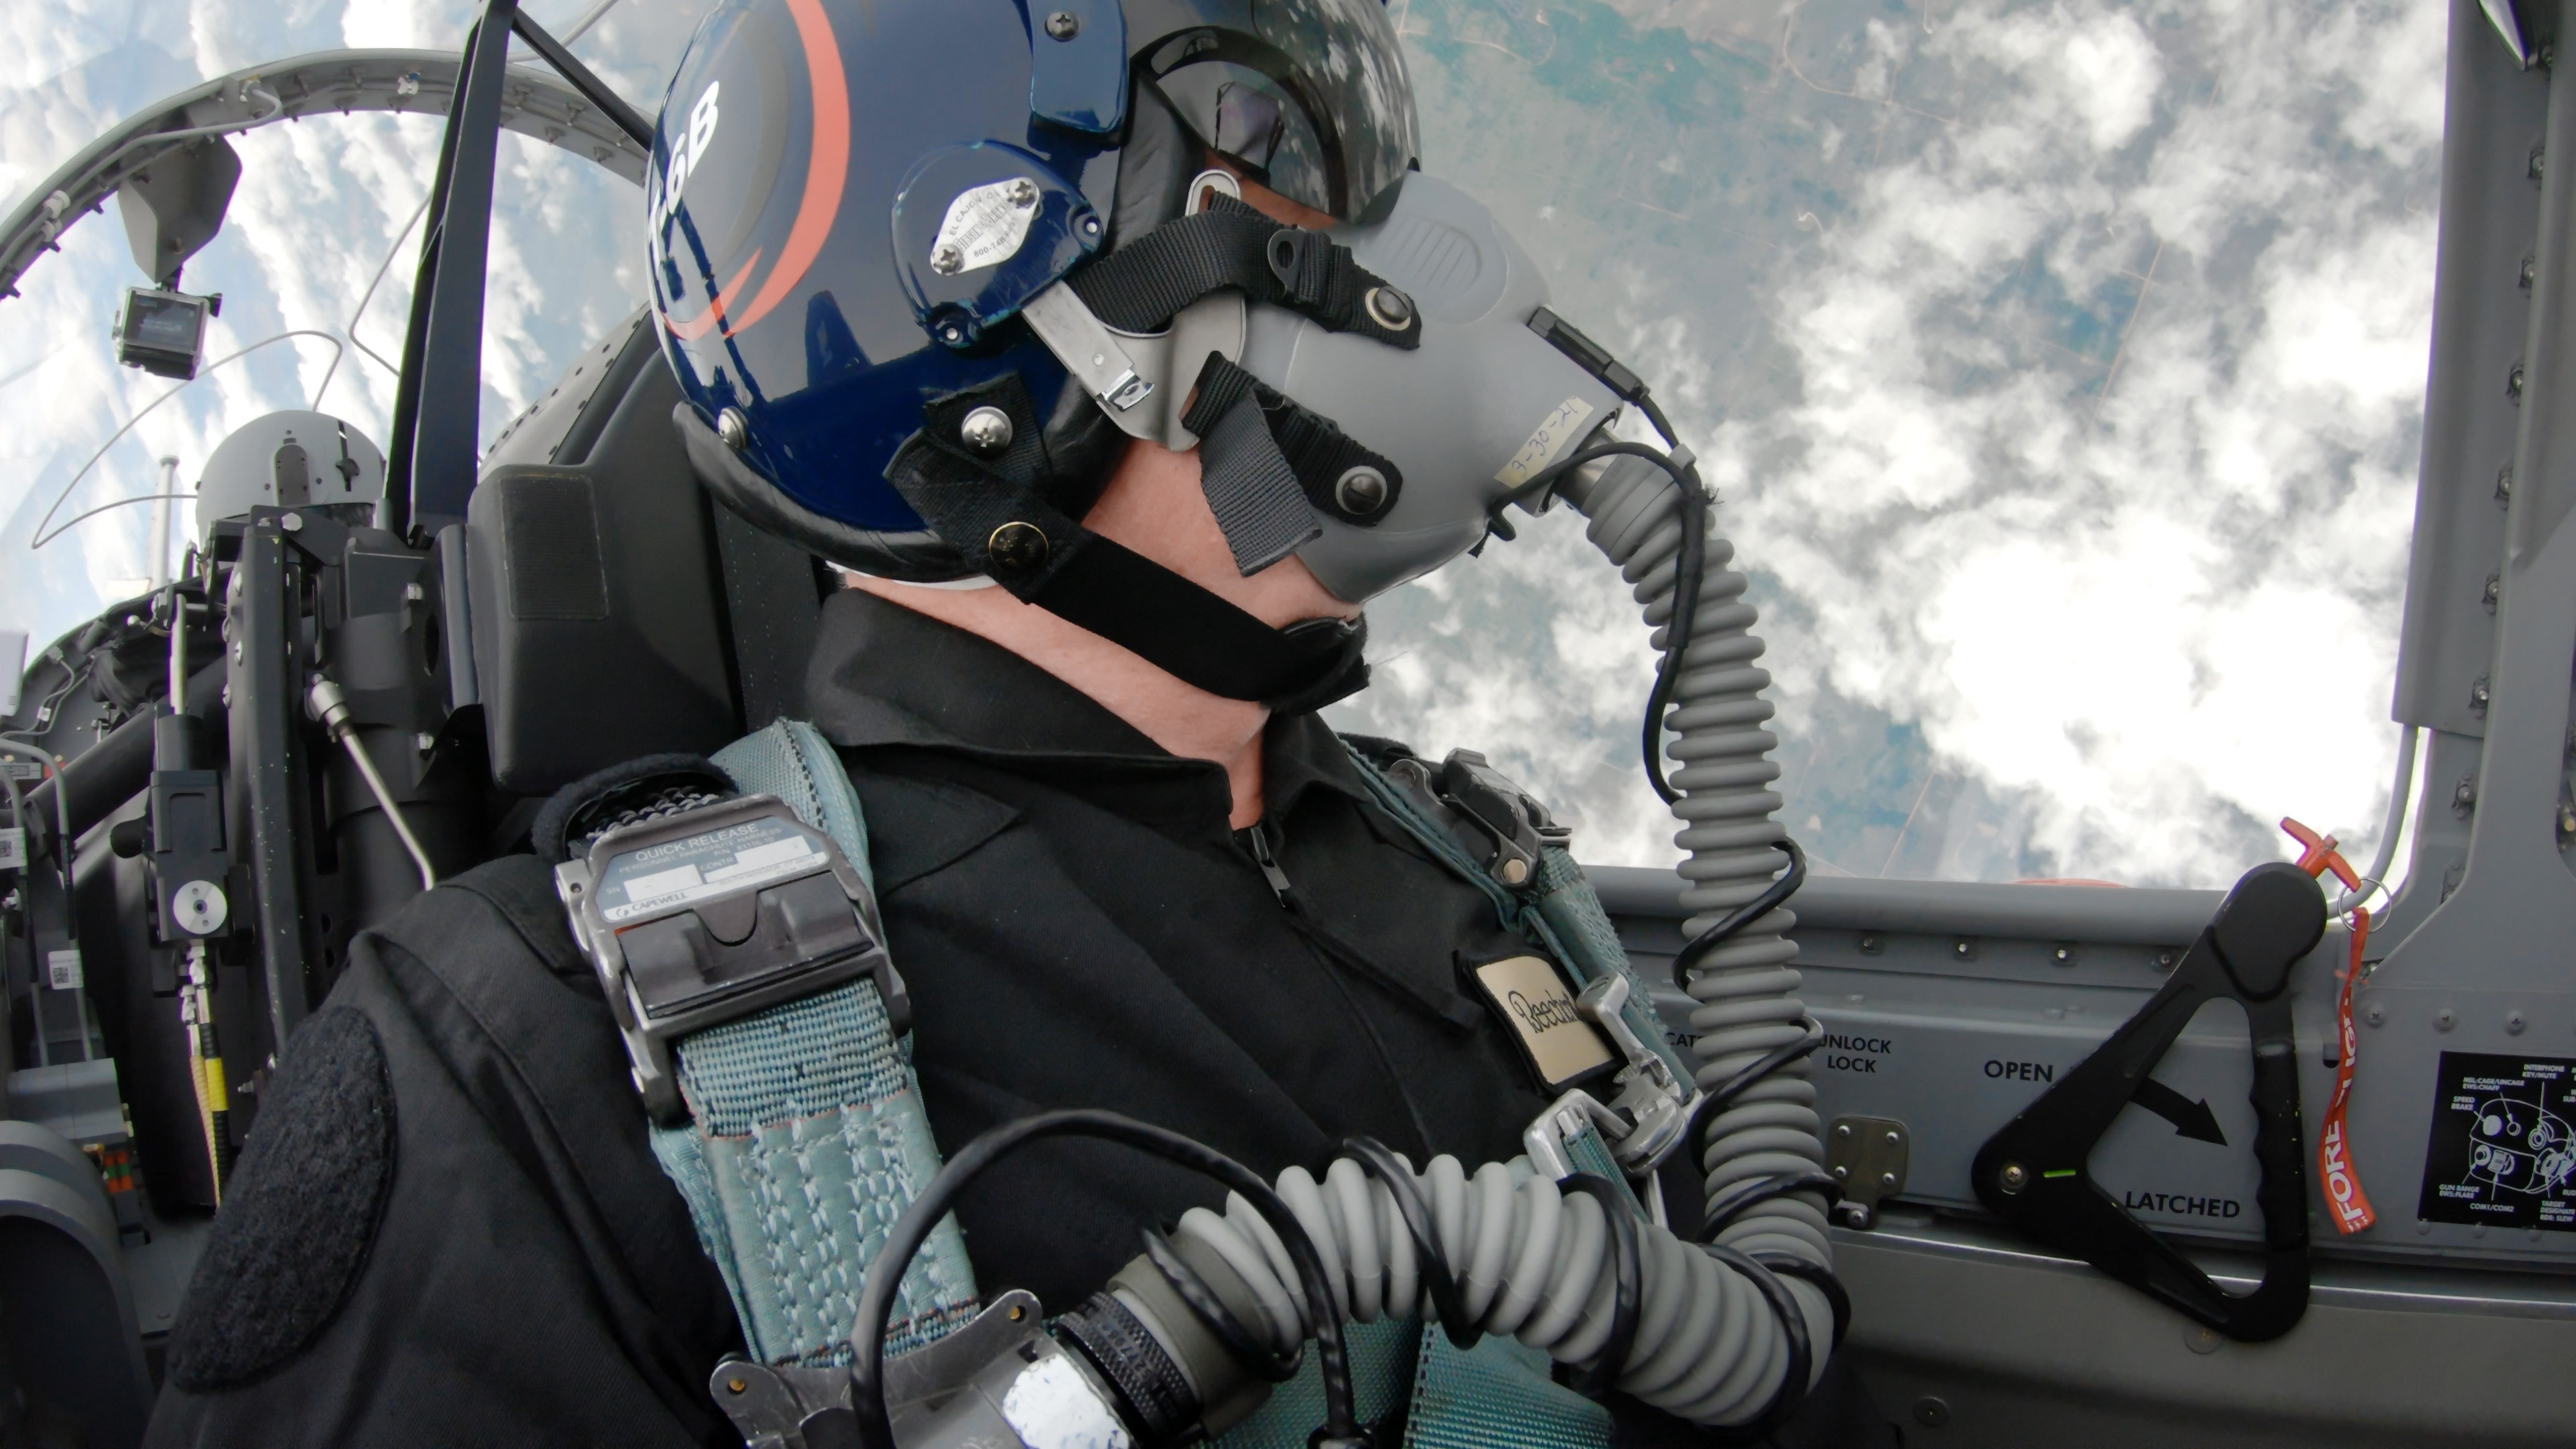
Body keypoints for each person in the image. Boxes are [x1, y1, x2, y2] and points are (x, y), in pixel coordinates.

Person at [146, 2, 1883, 1444]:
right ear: (997, 354)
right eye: (1287, 161)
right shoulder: (519, 1080)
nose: (1397, 232)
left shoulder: (1461, 852)